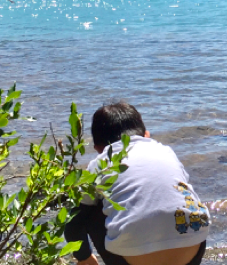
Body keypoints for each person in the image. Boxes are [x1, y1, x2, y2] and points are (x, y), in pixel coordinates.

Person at [65, 102, 209, 265]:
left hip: (131, 258)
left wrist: (84, 257)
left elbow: (73, 225)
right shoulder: (165, 151)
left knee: (87, 208)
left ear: (98, 148)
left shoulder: (99, 164)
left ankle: (88, 262)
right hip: (193, 247)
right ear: (146, 135)